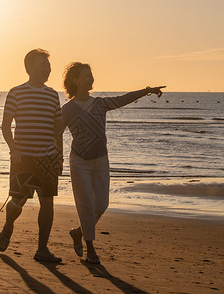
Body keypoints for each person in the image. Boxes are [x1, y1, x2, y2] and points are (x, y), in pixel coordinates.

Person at [61, 62, 165, 264]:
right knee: (86, 205)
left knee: (102, 204)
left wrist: (147, 91)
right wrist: (55, 157)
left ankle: (78, 232)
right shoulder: (68, 109)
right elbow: (56, 133)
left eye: (92, 75)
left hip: (101, 159)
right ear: (75, 80)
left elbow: (123, 99)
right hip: (79, 161)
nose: (91, 79)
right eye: (86, 76)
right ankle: (91, 249)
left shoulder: (100, 103)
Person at [0, 49, 63, 262]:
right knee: (19, 200)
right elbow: (6, 125)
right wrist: (13, 149)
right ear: (29, 68)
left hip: (48, 159)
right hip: (23, 157)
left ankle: (42, 249)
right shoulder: (16, 93)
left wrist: (59, 156)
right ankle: (8, 226)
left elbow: (57, 130)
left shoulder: (53, 95)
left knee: (47, 203)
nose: (47, 69)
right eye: (42, 65)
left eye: (48, 65)